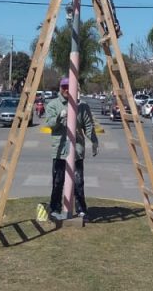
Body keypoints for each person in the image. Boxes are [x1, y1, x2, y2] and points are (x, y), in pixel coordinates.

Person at [45, 77, 99, 221]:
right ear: (60, 88)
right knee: (58, 181)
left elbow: (88, 126)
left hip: (77, 151)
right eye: (64, 87)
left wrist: (94, 141)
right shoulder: (53, 105)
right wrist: (59, 116)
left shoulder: (82, 106)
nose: (67, 90)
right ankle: (55, 208)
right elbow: (50, 123)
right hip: (60, 151)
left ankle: (81, 210)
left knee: (78, 182)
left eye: (70, 86)